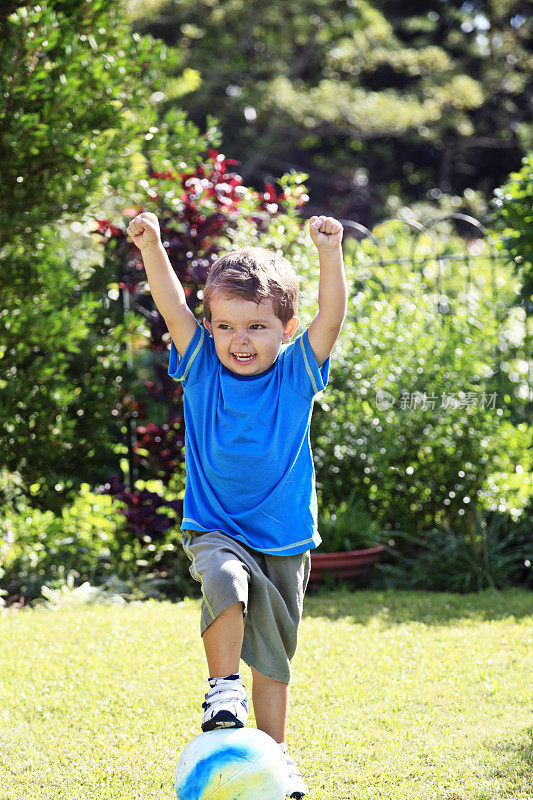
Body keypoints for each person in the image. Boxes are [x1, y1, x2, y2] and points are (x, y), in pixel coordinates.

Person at [127, 209, 347, 798]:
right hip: (216, 523)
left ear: (286, 328)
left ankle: (275, 758)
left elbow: (333, 317)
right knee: (224, 579)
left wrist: (330, 253)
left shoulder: (298, 372)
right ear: (211, 327)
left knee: (274, 662)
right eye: (225, 327)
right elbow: (173, 306)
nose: (239, 340)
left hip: (284, 536)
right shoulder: (200, 366)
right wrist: (151, 247)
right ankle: (223, 687)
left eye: (256, 327)